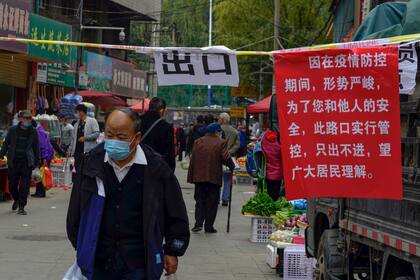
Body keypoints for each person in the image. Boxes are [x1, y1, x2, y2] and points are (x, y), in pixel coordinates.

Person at [66, 108, 190, 280]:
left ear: (137, 137)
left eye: (122, 137)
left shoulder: (156, 169)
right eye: (109, 135)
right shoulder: (91, 164)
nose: (114, 141)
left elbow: (175, 212)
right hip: (99, 262)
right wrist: (82, 246)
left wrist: (173, 250)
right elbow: (75, 210)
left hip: (139, 262)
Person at [188, 123, 234, 233]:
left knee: (200, 200)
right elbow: (225, 157)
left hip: (198, 176)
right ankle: (209, 226)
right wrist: (232, 166)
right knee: (212, 202)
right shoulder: (221, 142)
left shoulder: (198, 141)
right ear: (217, 132)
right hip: (213, 176)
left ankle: (198, 223)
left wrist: (192, 175)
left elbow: (193, 158)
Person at [0, 110, 40, 215]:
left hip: (27, 163)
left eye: (30, 118)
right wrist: (1, 155)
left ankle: (22, 206)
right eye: (26, 118)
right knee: (12, 185)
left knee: (25, 186)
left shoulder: (33, 131)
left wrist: (37, 162)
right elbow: (6, 144)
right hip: (13, 161)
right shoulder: (12, 130)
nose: (28, 120)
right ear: (20, 119)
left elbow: (36, 147)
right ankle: (17, 199)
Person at [140, 97, 175, 171]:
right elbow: (170, 152)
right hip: (157, 168)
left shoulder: (138, 121)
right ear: (162, 110)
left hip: (139, 165)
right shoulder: (166, 127)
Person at [69, 104, 100, 173]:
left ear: (82, 112)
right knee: (77, 171)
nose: (76, 114)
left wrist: (85, 138)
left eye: (77, 112)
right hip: (77, 152)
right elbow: (73, 139)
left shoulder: (92, 121)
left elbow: (97, 133)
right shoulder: (76, 124)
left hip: (87, 152)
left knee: (86, 170)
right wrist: (70, 150)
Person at [219, 113, 240, 206]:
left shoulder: (218, 130)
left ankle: (216, 198)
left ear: (222, 119)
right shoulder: (234, 131)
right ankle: (225, 198)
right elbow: (237, 145)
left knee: (218, 179)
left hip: (218, 157)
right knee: (227, 179)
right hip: (230, 158)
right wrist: (229, 152)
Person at [31, 120, 55, 198]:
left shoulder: (38, 132)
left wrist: (44, 157)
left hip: (45, 155)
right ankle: (39, 191)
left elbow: (43, 145)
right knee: (39, 173)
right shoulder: (39, 130)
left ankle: (41, 192)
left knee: (41, 174)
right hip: (44, 154)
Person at [261, 129, 284, 201]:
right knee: (275, 193)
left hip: (267, 172)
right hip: (278, 173)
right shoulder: (279, 143)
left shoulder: (264, 141)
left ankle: (270, 202)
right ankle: (274, 205)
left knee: (269, 192)